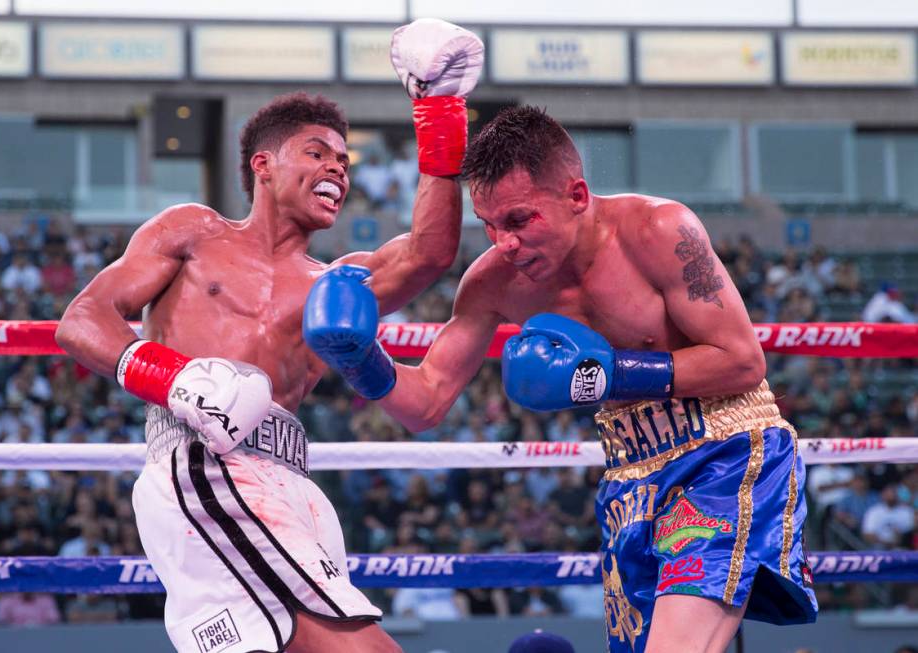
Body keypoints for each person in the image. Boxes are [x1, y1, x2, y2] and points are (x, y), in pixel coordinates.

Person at [305, 106, 817, 652]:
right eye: (490, 224)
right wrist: (363, 359)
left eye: (520, 220)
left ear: (576, 196)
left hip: (725, 453)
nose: (504, 241)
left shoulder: (659, 230)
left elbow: (742, 361)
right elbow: (426, 403)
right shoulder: (493, 282)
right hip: (630, 477)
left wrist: (606, 373)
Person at [56, 19, 483, 653]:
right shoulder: (192, 232)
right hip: (205, 465)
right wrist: (173, 378)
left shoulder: (336, 284)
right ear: (263, 164)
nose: (337, 167)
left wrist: (440, 108)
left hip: (292, 480)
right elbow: (82, 320)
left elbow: (430, 252)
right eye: (317, 153)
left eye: (343, 159)